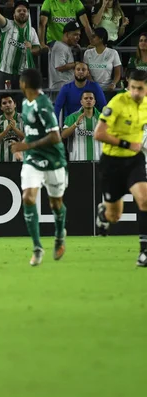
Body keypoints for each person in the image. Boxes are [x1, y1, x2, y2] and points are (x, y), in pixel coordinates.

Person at [10, 68, 68, 267]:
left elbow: (55, 136)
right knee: (28, 197)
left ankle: (60, 234)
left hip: (53, 160)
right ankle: (37, 248)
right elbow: (32, 132)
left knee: (55, 204)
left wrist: (26, 145)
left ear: (25, 84)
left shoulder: (43, 105)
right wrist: (23, 148)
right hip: (33, 159)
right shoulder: (26, 103)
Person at [94, 69, 147, 266]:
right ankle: (103, 214)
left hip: (134, 160)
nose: (135, 92)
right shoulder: (117, 103)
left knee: (144, 200)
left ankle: (144, 252)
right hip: (112, 162)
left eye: (140, 88)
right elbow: (98, 134)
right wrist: (126, 144)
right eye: (132, 87)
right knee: (114, 216)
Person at [0, 0, 39, 91]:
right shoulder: (8, 25)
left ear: (28, 14)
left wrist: (31, 48)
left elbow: (37, 49)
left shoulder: (32, 31)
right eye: (19, 11)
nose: (22, 13)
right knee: (5, 100)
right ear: (14, 14)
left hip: (23, 74)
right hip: (5, 72)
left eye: (24, 11)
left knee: (21, 102)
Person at [61, 90, 101, 161]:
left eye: (91, 98)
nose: (88, 100)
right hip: (77, 160)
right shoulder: (73, 117)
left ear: (94, 102)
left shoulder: (102, 118)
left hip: (98, 159)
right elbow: (63, 135)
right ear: (81, 102)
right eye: (86, 98)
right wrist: (75, 124)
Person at [0, 93, 24, 162]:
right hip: (0, 162)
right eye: (4, 103)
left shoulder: (23, 119)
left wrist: (15, 129)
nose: (7, 105)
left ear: (15, 104)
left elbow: (30, 140)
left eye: (10, 102)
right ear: (1, 107)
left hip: (21, 162)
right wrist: (5, 131)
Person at [83, 27, 122, 93]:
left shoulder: (113, 53)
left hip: (108, 89)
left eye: (94, 36)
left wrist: (113, 83)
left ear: (101, 39)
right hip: (92, 90)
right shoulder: (87, 53)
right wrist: (94, 86)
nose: (91, 38)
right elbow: (86, 72)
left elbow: (118, 73)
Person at [48, 21, 80, 90]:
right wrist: (76, 64)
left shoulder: (65, 47)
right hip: (60, 89)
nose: (78, 37)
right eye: (75, 34)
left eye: (79, 35)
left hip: (65, 87)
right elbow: (60, 67)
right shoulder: (60, 47)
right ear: (66, 34)